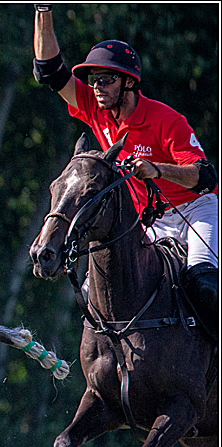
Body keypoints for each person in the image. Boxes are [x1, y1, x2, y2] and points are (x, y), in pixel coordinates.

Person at [32, 5, 219, 336]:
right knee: (100, 292)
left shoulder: (166, 120)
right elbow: (50, 70)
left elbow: (205, 176)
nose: (97, 87)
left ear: (128, 83)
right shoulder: (96, 108)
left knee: (203, 285)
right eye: (94, 81)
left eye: (105, 80)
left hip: (195, 210)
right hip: (149, 218)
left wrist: (156, 170)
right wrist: (43, 10)